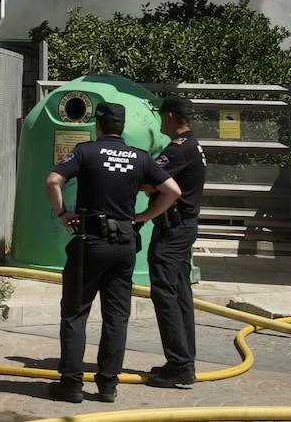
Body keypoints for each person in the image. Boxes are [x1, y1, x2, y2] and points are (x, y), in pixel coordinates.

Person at [45, 102, 182, 404]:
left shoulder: (85, 151)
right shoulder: (140, 158)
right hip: (124, 245)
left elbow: (53, 180)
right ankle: (108, 386)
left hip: (90, 242)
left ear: (100, 126)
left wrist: (62, 213)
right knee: (116, 317)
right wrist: (144, 217)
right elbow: (172, 190)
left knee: (75, 313)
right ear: (121, 127)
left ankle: (71, 384)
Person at [146, 96, 208, 388]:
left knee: (165, 293)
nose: (160, 121)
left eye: (162, 116)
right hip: (183, 228)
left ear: (170, 117)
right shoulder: (194, 145)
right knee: (180, 293)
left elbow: (150, 181)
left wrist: (144, 214)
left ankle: (180, 365)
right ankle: (184, 361)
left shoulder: (178, 150)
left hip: (173, 230)